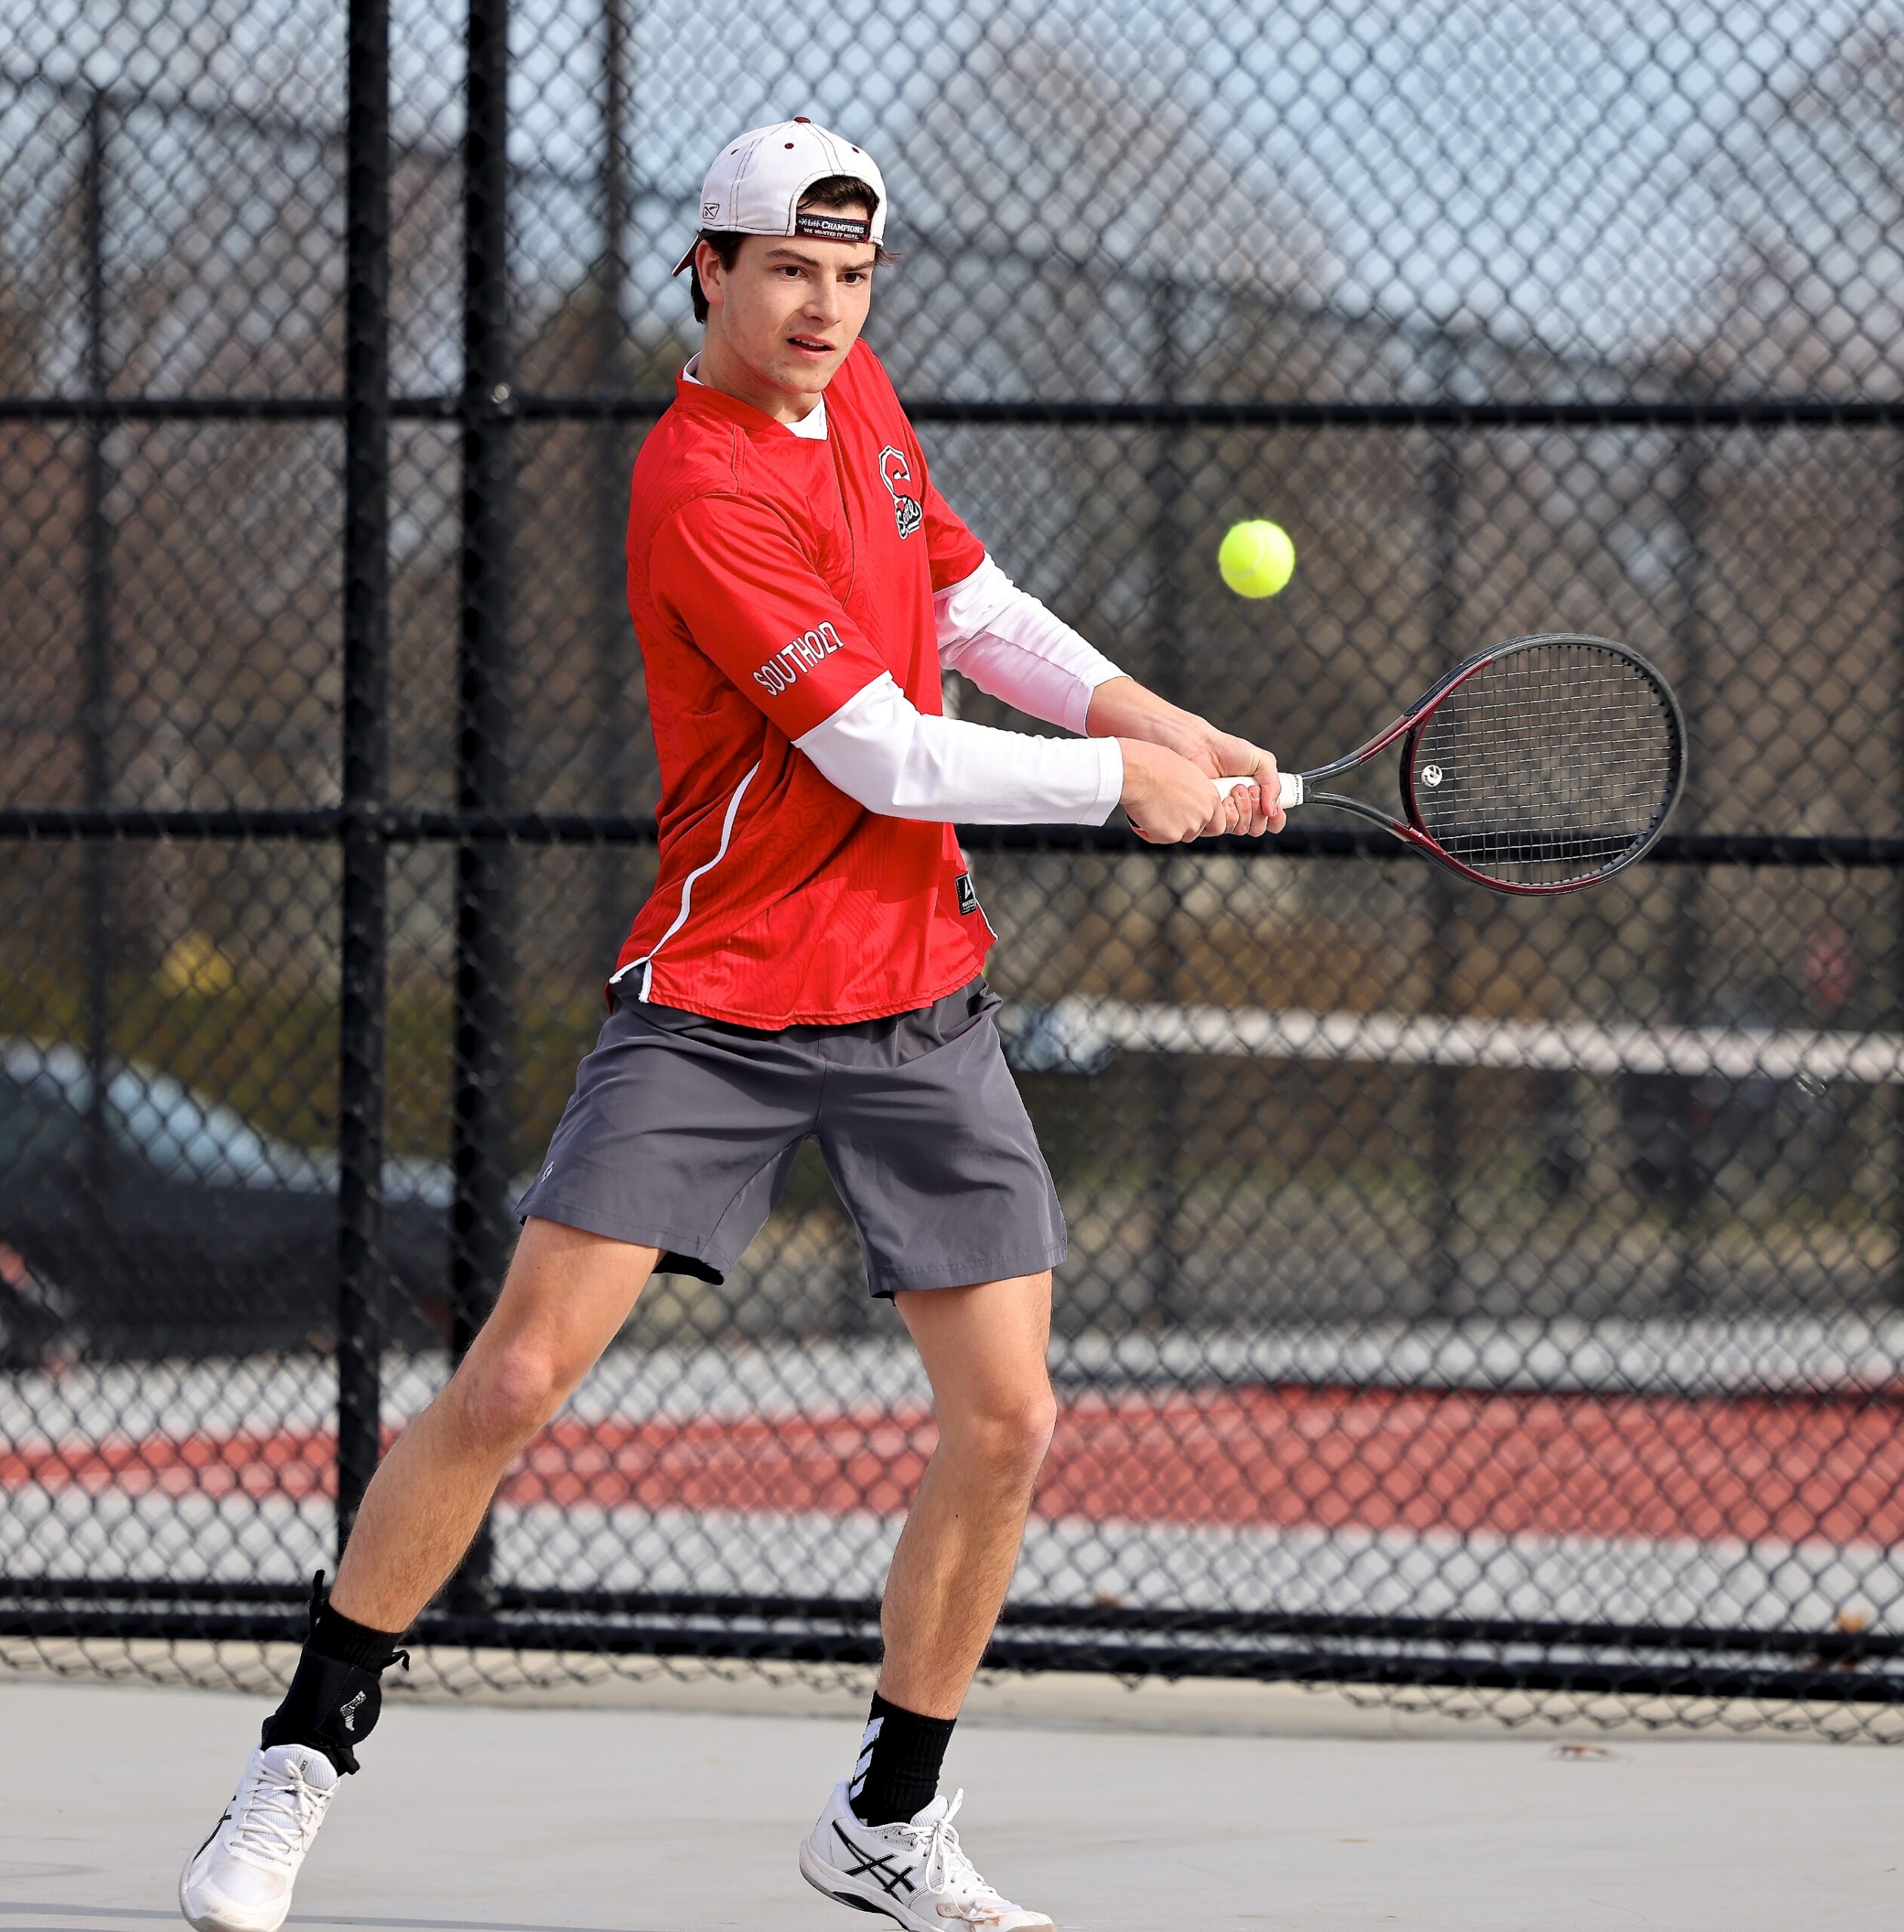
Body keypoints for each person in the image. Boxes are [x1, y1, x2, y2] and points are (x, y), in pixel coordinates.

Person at [180, 116, 1284, 1932]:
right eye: (789, 272)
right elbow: (879, 747)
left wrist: (1166, 723)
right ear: (707, 270)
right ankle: (298, 1752)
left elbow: (968, 606)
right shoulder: (695, 484)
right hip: (720, 999)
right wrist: (1117, 784)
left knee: (1004, 1417)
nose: (824, 309)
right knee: (518, 1374)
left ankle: (887, 1817)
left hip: (917, 991)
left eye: (850, 279)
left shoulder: (857, 404)